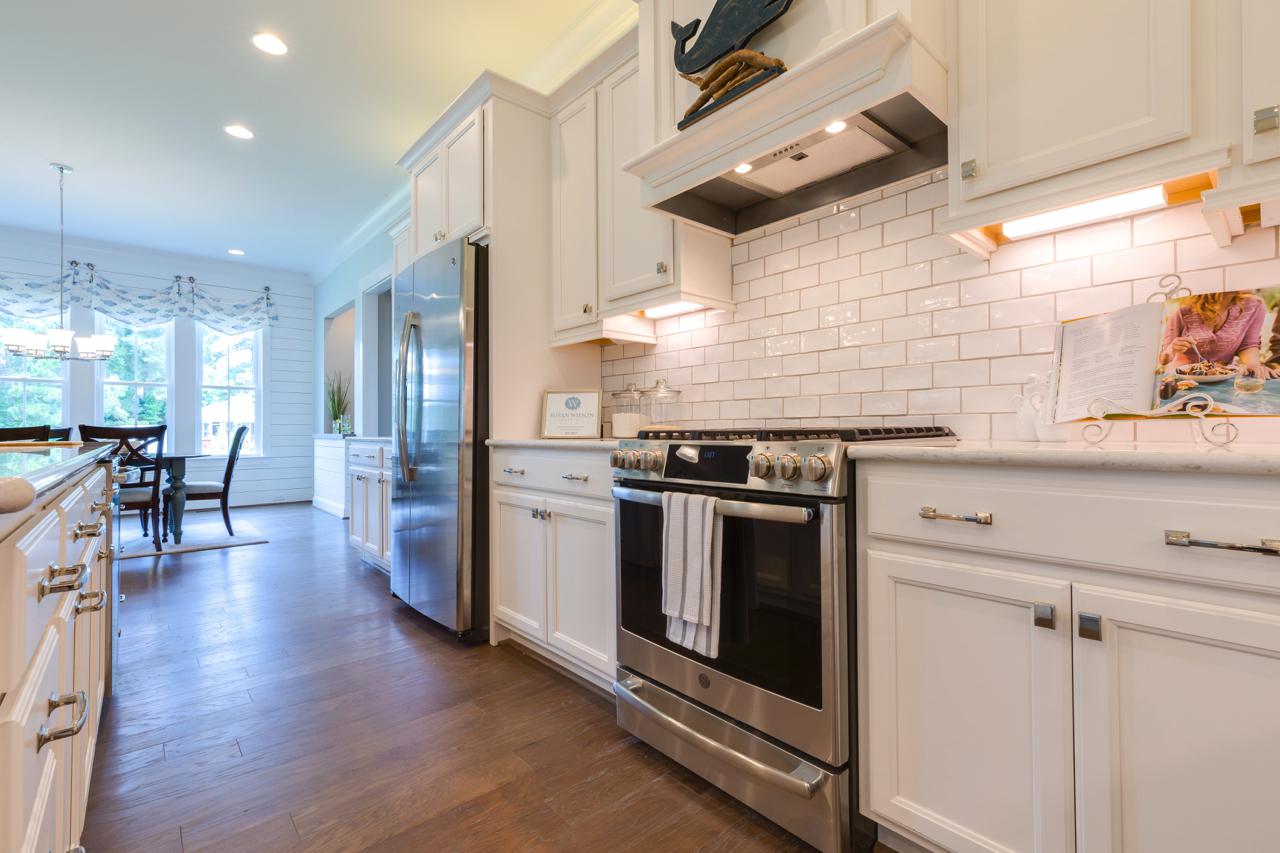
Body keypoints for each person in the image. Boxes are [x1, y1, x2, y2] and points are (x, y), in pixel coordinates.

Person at [1159, 290, 1272, 380]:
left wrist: (1254, 365)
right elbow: (1164, 359)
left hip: (1222, 378)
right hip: (1183, 379)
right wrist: (1171, 350)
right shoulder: (1183, 312)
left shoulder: (1254, 306)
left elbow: (1248, 345)